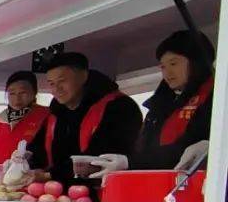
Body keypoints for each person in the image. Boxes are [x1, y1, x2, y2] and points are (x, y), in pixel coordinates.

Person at [90, 30, 215, 177]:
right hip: (155, 181)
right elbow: (143, 147)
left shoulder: (216, 97)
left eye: (173, 63)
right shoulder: (160, 104)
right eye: (163, 67)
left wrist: (129, 163)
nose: (168, 73)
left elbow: (187, 147)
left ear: (196, 62)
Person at [28, 52, 142, 187]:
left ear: (83, 76)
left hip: (105, 193)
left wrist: (50, 175)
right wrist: (24, 159)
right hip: (59, 194)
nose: (57, 89)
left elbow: (100, 156)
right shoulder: (56, 113)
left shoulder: (119, 107)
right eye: (52, 84)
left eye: (62, 81)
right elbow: (38, 150)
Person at [0, 71, 49, 167]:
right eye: (12, 93)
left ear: (34, 92)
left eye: (23, 92)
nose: (17, 98)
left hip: (35, 179)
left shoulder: (47, 116)